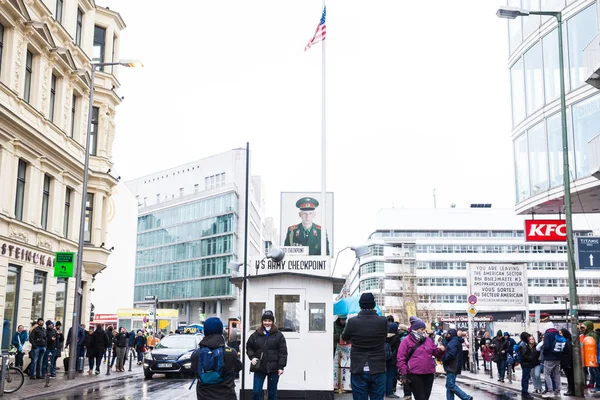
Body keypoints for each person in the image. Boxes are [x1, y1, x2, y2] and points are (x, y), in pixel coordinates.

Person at [340, 292, 388, 400]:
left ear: (360, 305)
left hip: (358, 367)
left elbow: (345, 337)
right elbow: (383, 337)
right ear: (374, 304)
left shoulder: (352, 322)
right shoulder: (383, 321)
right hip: (378, 367)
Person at [191, 317, 242, 400]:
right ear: (221, 331)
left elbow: (193, 371)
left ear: (205, 331)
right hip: (227, 395)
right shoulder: (230, 352)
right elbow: (238, 367)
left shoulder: (196, 354)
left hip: (204, 396)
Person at [397, 316, 445, 400]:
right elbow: (401, 358)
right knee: (420, 398)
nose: (424, 331)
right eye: (421, 329)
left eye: (424, 329)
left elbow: (435, 352)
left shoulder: (428, 340)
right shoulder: (406, 340)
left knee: (426, 397)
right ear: (415, 329)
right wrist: (404, 373)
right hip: (415, 374)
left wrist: (441, 351)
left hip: (429, 373)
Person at [246, 310, 288, 400]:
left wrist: (281, 367)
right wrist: (252, 357)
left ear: (273, 321)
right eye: (265, 320)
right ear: (262, 321)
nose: (267, 323)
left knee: (272, 394)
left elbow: (283, 352)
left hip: (274, 368)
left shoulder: (279, 335)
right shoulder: (256, 334)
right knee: (256, 392)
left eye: (269, 321)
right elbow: (249, 347)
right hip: (259, 367)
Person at [442, 329, 472, 400]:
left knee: (451, 385)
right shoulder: (454, 341)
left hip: (452, 366)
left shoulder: (453, 342)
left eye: (448, 334)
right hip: (453, 365)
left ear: (451, 334)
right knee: (449, 386)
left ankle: (466, 397)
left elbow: (451, 354)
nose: (447, 336)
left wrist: (444, 358)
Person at [541, 322, 562, 398]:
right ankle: (557, 390)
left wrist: (544, 353)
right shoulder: (557, 334)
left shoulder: (548, 334)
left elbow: (546, 346)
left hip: (549, 357)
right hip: (558, 357)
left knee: (547, 374)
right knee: (556, 374)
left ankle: (550, 391)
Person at [581, 320, 600, 392]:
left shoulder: (593, 335)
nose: (582, 329)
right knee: (591, 371)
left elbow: (594, 346)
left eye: (583, 328)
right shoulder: (587, 335)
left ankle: (598, 385)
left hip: (593, 356)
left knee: (595, 370)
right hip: (590, 356)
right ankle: (592, 383)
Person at [385, 323, 401, 399]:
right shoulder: (397, 338)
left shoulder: (384, 337)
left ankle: (384, 391)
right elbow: (399, 350)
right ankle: (389, 392)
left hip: (384, 359)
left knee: (384, 376)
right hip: (393, 360)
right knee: (391, 376)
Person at [517, 331, 535, 399]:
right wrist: (531, 358)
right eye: (528, 337)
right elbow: (525, 355)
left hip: (525, 363)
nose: (529, 338)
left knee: (525, 377)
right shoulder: (524, 345)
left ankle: (524, 392)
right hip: (526, 363)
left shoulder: (523, 344)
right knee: (525, 378)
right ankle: (525, 392)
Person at [560, 328, 574, 396]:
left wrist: (567, 363)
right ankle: (570, 390)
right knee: (569, 377)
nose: (560, 335)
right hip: (567, 363)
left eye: (561, 333)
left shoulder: (568, 341)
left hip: (567, 363)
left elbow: (568, 353)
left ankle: (571, 390)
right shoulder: (568, 341)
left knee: (570, 377)